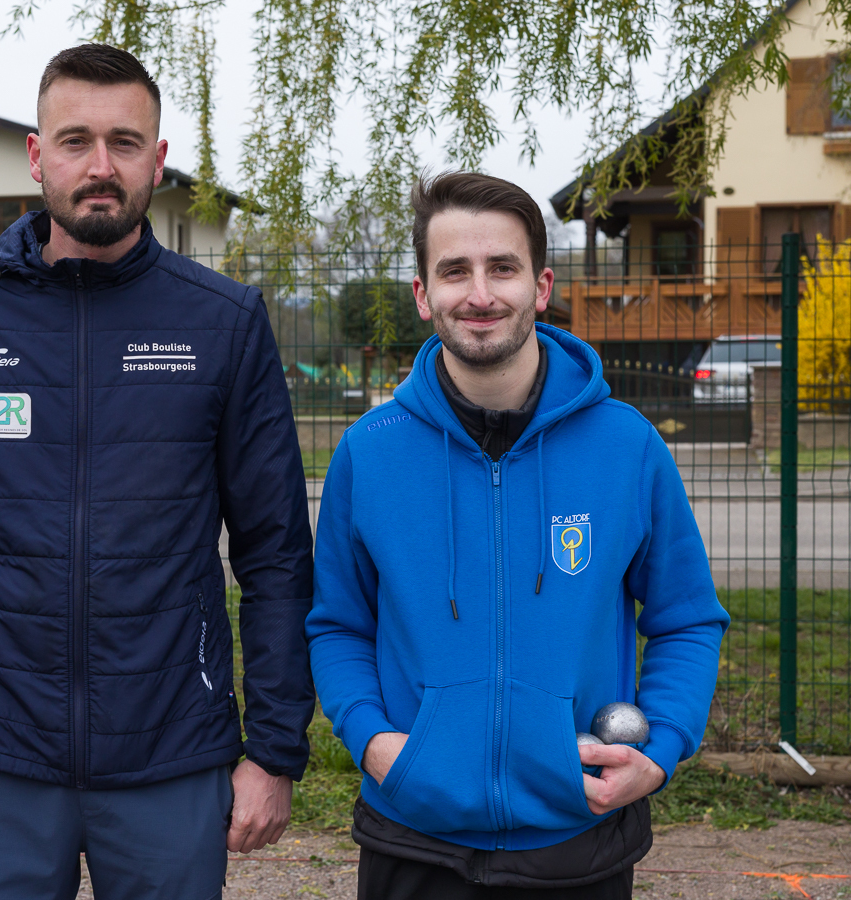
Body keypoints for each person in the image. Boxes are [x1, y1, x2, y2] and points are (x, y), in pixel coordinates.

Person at [0, 43, 315, 900]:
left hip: (171, 747)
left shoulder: (223, 322)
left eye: (124, 142)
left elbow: (277, 553)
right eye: (75, 141)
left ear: (157, 160)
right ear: (38, 155)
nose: (100, 166)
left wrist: (275, 750)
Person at [306, 171, 730, 900]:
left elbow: (687, 619)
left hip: (578, 833)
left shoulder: (627, 447)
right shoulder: (369, 453)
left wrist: (658, 749)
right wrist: (375, 743)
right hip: (414, 834)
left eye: (502, 267)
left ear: (541, 287)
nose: (479, 294)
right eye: (455, 271)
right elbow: (338, 625)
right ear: (422, 294)